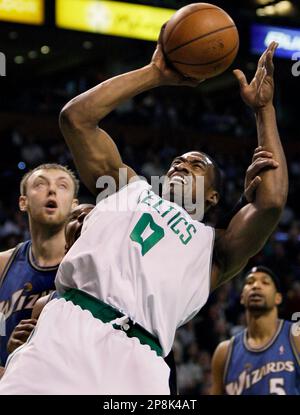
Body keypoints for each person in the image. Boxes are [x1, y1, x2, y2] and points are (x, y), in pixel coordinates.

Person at [0, 36, 288, 394]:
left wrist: (264, 111)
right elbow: (76, 119)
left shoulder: (216, 247)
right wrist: (155, 73)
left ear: (213, 197)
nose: (182, 163)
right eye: (177, 161)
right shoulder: (126, 188)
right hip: (67, 332)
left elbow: (271, 203)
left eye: (197, 164)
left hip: (142, 360)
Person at [0, 164, 79, 366]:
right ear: (23, 202)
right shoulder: (3, 264)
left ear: (74, 205)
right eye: (40, 185)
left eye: (62, 186)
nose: (51, 190)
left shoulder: (89, 266)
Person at [211, 266, 300, 395]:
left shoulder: (295, 335)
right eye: (250, 282)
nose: (256, 286)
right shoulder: (224, 353)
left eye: (265, 282)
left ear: (278, 298)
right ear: (242, 297)